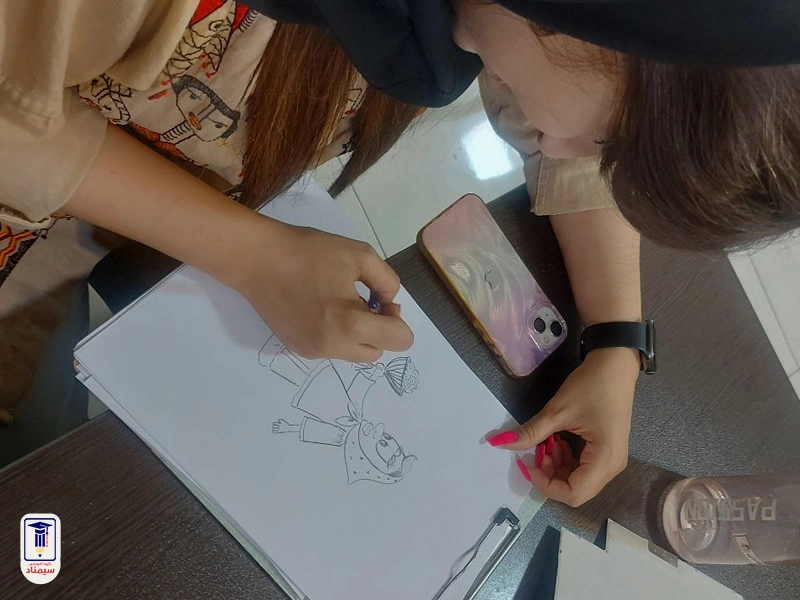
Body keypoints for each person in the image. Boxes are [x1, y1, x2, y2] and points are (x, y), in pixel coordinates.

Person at [1, 0, 799, 507]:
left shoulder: (474, 23)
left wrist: (616, 340)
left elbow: (575, 144)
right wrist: (251, 256)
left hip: (144, 216)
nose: (564, 150)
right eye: (607, 146)